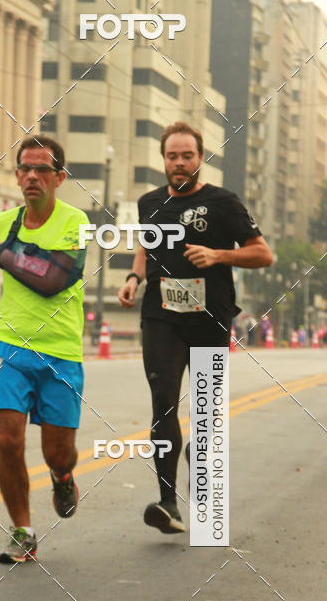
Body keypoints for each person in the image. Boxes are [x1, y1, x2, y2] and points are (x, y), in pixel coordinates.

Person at [117, 121, 273, 534]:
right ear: (164, 160)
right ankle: (168, 502)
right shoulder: (149, 202)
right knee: (163, 401)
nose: (180, 163)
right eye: (173, 156)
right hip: (161, 316)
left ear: (200, 158)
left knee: (205, 414)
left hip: (209, 318)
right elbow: (145, 245)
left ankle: (203, 492)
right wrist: (135, 278)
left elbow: (263, 254)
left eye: (187, 155)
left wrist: (219, 256)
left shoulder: (224, 202)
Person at [0, 135, 90, 563]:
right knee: (7, 440)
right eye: (25, 169)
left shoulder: (75, 222)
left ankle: (63, 474)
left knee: (57, 450)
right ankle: (23, 530)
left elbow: (54, 281)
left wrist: (7, 257)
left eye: (42, 170)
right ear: (16, 176)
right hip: (5, 348)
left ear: (59, 178)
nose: (32, 176)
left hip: (61, 352)